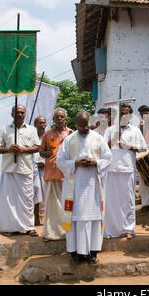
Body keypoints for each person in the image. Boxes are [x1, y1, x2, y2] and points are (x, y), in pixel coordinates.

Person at [56, 111, 112, 264]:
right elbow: (60, 161)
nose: (83, 128)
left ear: (90, 123)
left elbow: (108, 158)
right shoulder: (69, 140)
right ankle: (75, 253)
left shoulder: (98, 138)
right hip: (74, 187)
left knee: (94, 218)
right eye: (80, 126)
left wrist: (95, 163)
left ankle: (93, 253)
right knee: (74, 219)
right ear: (76, 125)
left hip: (93, 185)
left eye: (86, 125)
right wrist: (75, 163)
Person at [0, 105, 40, 236]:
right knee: (9, 201)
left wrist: (23, 150)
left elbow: (37, 147)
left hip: (26, 169)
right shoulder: (4, 129)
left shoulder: (31, 130)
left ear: (25, 114)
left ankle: (29, 227)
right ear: (12, 114)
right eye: (17, 112)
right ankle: (10, 228)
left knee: (27, 200)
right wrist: (9, 149)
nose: (20, 114)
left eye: (22, 112)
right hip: (9, 169)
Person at [103, 104, 147, 239]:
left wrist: (129, 146)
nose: (124, 116)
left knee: (127, 201)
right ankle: (111, 229)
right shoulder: (110, 130)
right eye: (121, 113)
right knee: (111, 201)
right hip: (111, 170)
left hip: (127, 170)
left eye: (126, 113)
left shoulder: (135, 131)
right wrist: (114, 139)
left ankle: (128, 229)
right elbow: (103, 148)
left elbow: (143, 148)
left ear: (130, 115)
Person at [39, 108, 74, 241]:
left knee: (67, 204)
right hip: (52, 172)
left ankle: (67, 232)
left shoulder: (72, 134)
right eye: (57, 117)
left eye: (62, 117)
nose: (59, 119)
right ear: (53, 120)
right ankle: (50, 233)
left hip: (67, 173)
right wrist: (46, 153)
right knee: (51, 205)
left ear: (65, 119)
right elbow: (41, 152)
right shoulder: (48, 134)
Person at [33, 116, 47, 226]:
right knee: (35, 194)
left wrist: (45, 163)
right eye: (39, 123)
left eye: (43, 123)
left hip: (47, 169)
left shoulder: (49, 137)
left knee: (47, 194)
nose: (42, 125)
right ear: (35, 125)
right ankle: (36, 218)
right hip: (33, 169)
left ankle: (47, 219)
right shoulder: (32, 137)